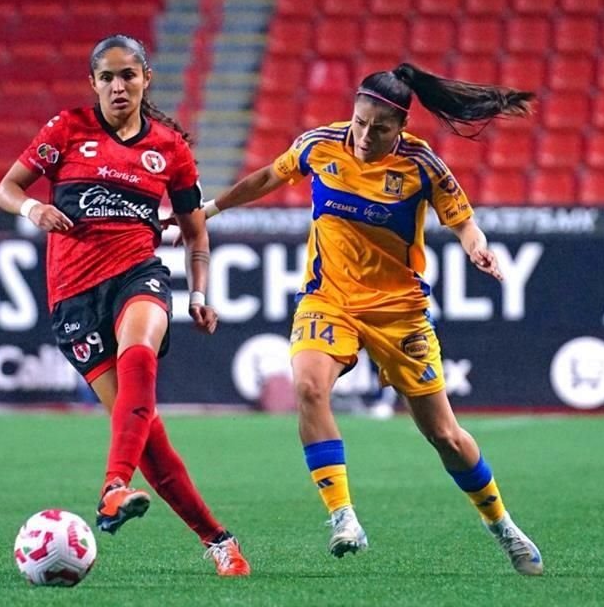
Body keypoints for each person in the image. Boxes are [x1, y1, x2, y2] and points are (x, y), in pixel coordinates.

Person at [179, 62, 543, 575]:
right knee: (308, 386)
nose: (365, 135)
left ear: (402, 129)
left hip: (399, 312)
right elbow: (265, 177)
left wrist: (477, 249)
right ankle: (343, 517)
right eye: (359, 122)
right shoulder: (319, 145)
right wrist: (206, 212)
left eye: (380, 128)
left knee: (445, 436)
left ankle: (502, 524)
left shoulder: (423, 165)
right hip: (329, 299)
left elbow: (465, 224)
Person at [0, 34, 250, 576]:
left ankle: (113, 486)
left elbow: (195, 233)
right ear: (93, 84)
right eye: (107, 77)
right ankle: (217, 539)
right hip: (74, 298)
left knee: (140, 351)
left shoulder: (170, 148)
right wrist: (33, 210)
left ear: (145, 80)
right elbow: (6, 189)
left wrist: (200, 292)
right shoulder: (66, 129)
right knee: (145, 429)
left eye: (127, 75)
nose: (117, 86)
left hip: (138, 274)